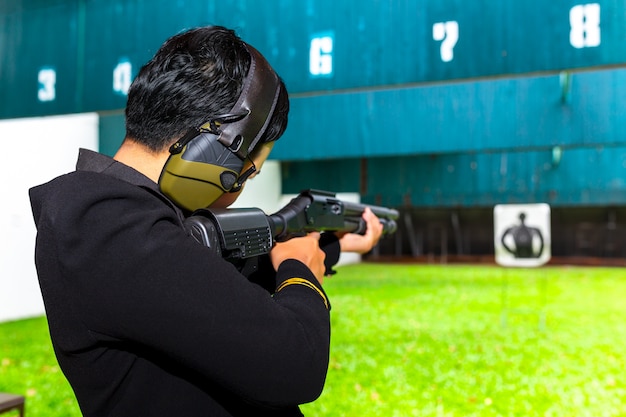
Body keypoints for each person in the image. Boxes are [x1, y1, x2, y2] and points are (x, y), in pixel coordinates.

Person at [29, 25, 383, 417]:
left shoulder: (128, 220)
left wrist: (327, 245)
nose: (241, 186)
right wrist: (302, 272)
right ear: (213, 155)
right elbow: (294, 363)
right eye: (245, 172)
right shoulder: (102, 225)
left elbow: (212, 285)